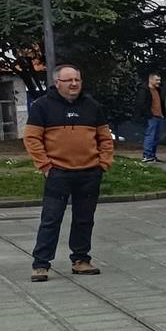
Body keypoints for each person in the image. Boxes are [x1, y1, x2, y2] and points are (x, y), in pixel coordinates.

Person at [23, 65, 113, 282]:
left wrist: (103, 163)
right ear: (57, 83)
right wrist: (45, 166)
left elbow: (105, 137)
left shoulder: (92, 106)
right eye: (68, 80)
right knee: (51, 219)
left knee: (84, 219)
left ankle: (81, 260)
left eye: (77, 80)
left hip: (90, 172)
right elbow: (32, 138)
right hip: (58, 174)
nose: (74, 84)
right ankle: (41, 264)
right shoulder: (42, 106)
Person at [135, 71, 166, 163]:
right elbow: (141, 104)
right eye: (157, 80)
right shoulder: (144, 90)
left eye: (159, 80)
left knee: (156, 138)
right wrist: (148, 115)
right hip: (151, 117)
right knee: (150, 136)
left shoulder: (158, 90)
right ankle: (147, 155)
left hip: (159, 116)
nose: (159, 82)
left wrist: (162, 114)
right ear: (151, 79)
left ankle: (152, 155)